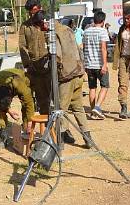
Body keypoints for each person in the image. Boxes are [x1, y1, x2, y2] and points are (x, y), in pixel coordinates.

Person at [38, 13, 92, 147]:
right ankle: (88, 138)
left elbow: (57, 57)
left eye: (41, 25)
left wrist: (49, 67)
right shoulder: (67, 29)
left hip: (66, 76)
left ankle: (60, 142)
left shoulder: (53, 34)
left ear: (45, 23)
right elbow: (79, 50)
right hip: (78, 73)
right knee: (78, 108)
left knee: (60, 110)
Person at [18, 0, 51, 114]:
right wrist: (27, 64)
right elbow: (22, 46)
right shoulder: (25, 26)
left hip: (49, 65)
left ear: (40, 8)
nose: (33, 14)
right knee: (39, 98)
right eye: (31, 12)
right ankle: (42, 125)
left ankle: (57, 126)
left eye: (35, 11)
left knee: (54, 97)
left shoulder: (50, 24)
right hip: (34, 68)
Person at [0, 68, 35, 148]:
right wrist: (8, 110)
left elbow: (29, 103)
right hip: (0, 82)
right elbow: (1, 102)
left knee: (25, 105)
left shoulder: (20, 85)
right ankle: (4, 138)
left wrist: (30, 120)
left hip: (21, 79)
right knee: (0, 109)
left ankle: (26, 130)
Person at [82, 11, 110, 120]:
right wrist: (104, 64)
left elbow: (84, 47)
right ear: (103, 21)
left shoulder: (86, 31)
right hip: (99, 64)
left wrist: (85, 63)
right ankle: (97, 107)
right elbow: (103, 48)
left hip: (89, 64)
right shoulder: (103, 31)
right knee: (105, 86)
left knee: (92, 87)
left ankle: (93, 111)